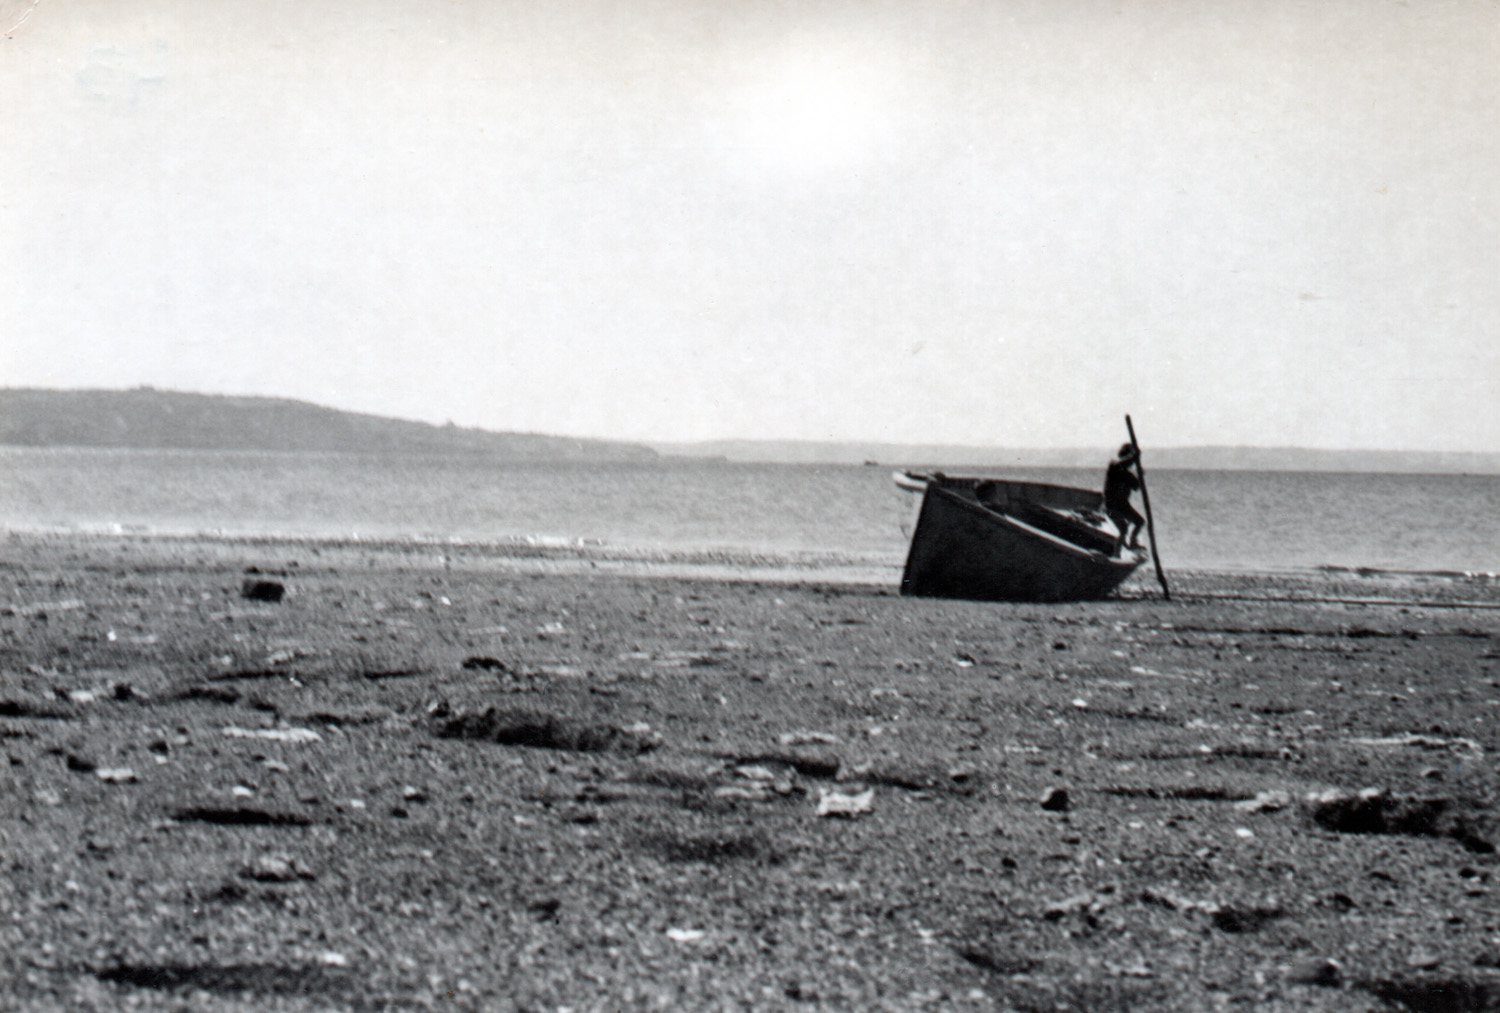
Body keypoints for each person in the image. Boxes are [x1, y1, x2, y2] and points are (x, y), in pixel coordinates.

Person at [1104, 443, 1145, 555]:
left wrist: (1140, 477)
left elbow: (1136, 487)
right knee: (1123, 529)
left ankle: (1132, 542)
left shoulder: (1128, 475)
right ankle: (1117, 553)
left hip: (1123, 506)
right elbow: (1122, 463)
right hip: (1111, 506)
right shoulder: (1114, 467)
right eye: (1130, 459)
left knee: (1139, 522)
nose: (1132, 462)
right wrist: (1134, 456)